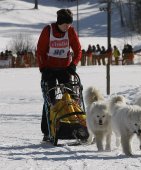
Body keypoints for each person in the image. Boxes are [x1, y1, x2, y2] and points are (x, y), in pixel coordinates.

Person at [36, 8, 82, 141]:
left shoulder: (71, 31)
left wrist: (73, 64)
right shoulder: (48, 31)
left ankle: (76, 126)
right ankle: (47, 131)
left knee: (71, 98)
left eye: (69, 24)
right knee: (50, 100)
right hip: (49, 70)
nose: (68, 26)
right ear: (59, 22)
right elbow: (40, 51)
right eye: (65, 24)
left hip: (65, 69)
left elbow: (78, 50)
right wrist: (43, 68)